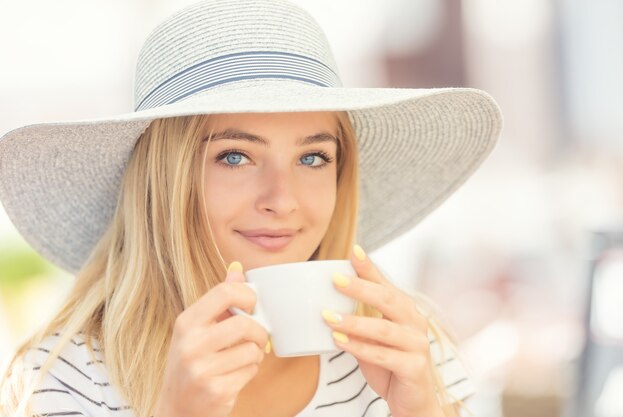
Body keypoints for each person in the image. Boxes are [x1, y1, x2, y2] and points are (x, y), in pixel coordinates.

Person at [0, 0, 502, 416]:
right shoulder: (66, 376)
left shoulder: (407, 347)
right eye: (234, 156)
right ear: (166, 182)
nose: (281, 200)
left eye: (312, 157)